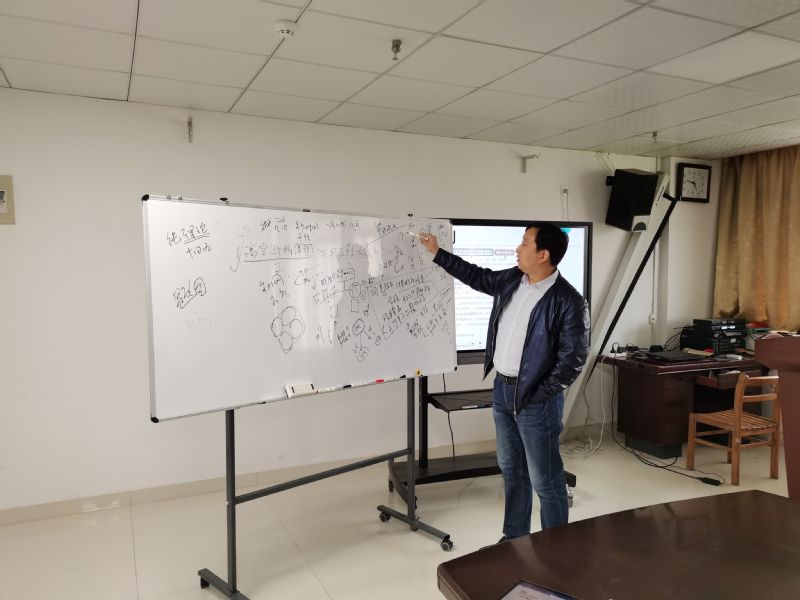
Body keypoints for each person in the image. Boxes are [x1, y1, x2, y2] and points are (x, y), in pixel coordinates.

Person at [419, 223, 589, 540]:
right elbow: (477, 276)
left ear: (543, 255)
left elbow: (571, 363)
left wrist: (536, 394)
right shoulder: (513, 279)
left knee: (546, 480)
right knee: (512, 471)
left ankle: (557, 552)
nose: (517, 249)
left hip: (536, 401)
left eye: (524, 243)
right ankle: (514, 540)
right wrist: (438, 253)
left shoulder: (569, 302)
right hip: (502, 390)